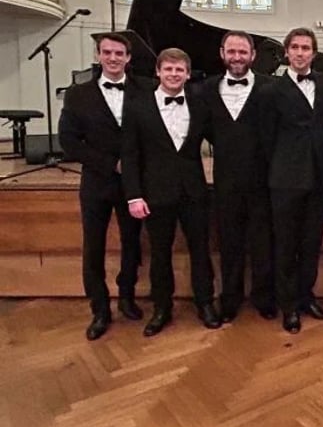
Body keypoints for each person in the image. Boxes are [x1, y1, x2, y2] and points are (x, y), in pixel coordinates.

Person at [122, 48, 221, 336]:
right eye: (169, 69)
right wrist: (134, 195)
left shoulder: (200, 105)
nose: (174, 75)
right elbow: (129, 155)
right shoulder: (138, 106)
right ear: (158, 72)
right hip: (156, 193)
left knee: (201, 251)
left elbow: (223, 138)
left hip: (194, 192)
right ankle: (162, 308)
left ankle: (205, 304)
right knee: (160, 254)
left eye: (180, 70)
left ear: (188, 74)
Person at [59, 32, 148, 340]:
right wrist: (111, 164)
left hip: (134, 184)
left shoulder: (145, 89)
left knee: (132, 243)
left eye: (119, 53)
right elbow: (68, 142)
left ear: (128, 57)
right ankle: (100, 309)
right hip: (97, 182)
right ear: (98, 55)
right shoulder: (78, 94)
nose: (113, 58)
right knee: (93, 247)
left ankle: (126, 297)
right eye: (107, 52)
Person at [259, 28, 323, 334]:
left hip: (319, 177)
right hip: (286, 178)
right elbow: (266, 138)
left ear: (314, 54)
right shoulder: (271, 89)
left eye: (306, 47)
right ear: (287, 53)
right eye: (295, 47)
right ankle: (288, 305)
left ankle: (307, 297)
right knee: (286, 243)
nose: (301, 52)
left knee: (311, 242)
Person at [201, 31, 277, 323]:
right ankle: (230, 298)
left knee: (263, 243)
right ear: (222, 53)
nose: (237, 57)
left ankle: (264, 297)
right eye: (231, 51)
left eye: (242, 52)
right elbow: (204, 129)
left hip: (262, 179)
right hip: (225, 181)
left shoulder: (271, 88)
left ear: (253, 55)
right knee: (229, 242)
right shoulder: (207, 90)